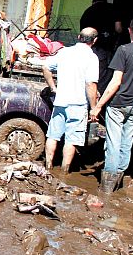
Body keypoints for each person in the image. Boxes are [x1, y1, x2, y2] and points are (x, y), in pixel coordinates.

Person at [90, 17, 133, 193]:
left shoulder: (124, 50)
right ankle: (118, 179)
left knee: (114, 141)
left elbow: (116, 82)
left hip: (119, 104)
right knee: (127, 142)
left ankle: (107, 186)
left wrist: (98, 105)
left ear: (130, 30)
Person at [41, 27, 100, 173]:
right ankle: (64, 172)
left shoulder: (64, 52)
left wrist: (53, 87)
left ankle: (48, 166)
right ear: (95, 40)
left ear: (79, 37)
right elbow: (90, 84)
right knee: (71, 140)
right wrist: (94, 107)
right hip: (78, 104)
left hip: (60, 101)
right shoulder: (92, 58)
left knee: (53, 136)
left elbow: (45, 66)